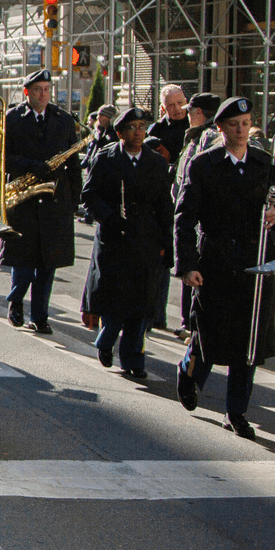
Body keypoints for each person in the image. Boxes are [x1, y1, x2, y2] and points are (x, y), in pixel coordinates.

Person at [174, 96, 275, 439]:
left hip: (254, 264)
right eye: (233, 124)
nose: (240, 130)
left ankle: (235, 411)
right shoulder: (203, 164)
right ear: (220, 128)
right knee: (209, 334)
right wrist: (187, 266)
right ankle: (189, 373)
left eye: (246, 123)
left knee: (247, 343)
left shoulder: (264, 163)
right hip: (216, 261)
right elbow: (185, 219)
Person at [82, 108, 174, 379]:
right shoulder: (106, 158)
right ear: (120, 133)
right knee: (114, 299)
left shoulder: (156, 163)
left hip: (144, 238)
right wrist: (109, 217)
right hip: (114, 238)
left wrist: (166, 241)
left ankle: (134, 359)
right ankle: (106, 341)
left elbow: (163, 204)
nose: (137, 132)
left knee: (142, 302)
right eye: (131, 127)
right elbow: (90, 195)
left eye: (141, 127)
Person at [1, 69, 81, 334]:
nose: (44, 94)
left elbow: (74, 164)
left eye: (47, 89)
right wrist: (33, 166)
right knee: (22, 260)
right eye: (38, 89)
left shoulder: (64, 119)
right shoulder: (12, 118)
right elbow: (3, 157)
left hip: (54, 200)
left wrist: (74, 199)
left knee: (48, 263)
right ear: (27, 92)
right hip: (23, 199)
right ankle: (15, 302)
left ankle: (40, 315)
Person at [171, 92, 222, 340]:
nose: (188, 115)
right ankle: (189, 323)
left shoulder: (208, 137)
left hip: (197, 219)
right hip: (188, 212)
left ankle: (193, 325)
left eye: (190, 111)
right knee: (187, 266)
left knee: (192, 269)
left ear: (200, 113)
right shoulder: (196, 136)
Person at [149, 84, 190, 176]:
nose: (177, 108)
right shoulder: (156, 129)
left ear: (186, 102)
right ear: (163, 108)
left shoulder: (195, 123)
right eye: (171, 105)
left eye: (180, 103)